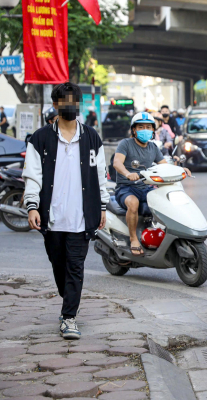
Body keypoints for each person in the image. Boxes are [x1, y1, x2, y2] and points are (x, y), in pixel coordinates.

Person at [23, 82, 109, 340]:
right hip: (52, 217)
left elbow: (101, 175)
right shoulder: (40, 138)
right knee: (58, 265)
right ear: (56, 104)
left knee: (75, 267)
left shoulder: (92, 137)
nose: (70, 106)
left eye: (74, 101)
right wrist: (32, 206)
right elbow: (32, 176)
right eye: (65, 101)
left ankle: (69, 317)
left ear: (79, 105)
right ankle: (68, 300)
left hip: (82, 218)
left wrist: (102, 206)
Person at [112, 112, 191, 256]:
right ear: (134, 130)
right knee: (133, 203)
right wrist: (128, 174)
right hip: (126, 188)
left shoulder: (153, 147)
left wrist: (180, 169)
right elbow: (117, 162)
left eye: (148, 127)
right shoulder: (125, 144)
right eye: (141, 127)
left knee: (165, 201)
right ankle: (134, 238)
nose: (145, 130)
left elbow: (164, 165)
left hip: (146, 187)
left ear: (153, 130)